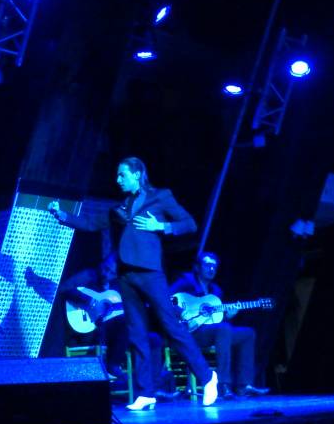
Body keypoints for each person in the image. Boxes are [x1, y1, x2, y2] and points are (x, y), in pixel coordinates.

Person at [50, 157, 218, 409]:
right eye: (117, 175)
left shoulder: (160, 197)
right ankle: (145, 392)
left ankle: (207, 377)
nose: (117, 179)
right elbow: (92, 223)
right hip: (126, 276)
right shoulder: (120, 207)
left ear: (137, 174)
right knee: (137, 332)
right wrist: (62, 215)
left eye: (122, 175)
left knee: (171, 326)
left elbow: (189, 224)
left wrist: (161, 225)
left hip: (151, 273)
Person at [169, 251, 269, 398]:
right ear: (197, 267)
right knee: (224, 329)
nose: (211, 269)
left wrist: (228, 316)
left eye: (214, 266)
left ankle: (244, 385)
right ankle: (223, 385)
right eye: (207, 265)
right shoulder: (185, 282)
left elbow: (216, 319)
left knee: (248, 333)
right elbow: (167, 300)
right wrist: (183, 314)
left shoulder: (216, 291)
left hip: (211, 333)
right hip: (191, 332)